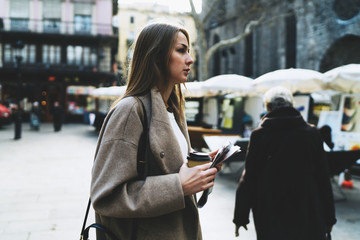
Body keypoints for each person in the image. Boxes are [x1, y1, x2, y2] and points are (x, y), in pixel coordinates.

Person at [90, 22, 219, 239]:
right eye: (181, 50)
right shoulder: (130, 110)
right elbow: (106, 196)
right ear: (156, 55)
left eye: (189, 51)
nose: (190, 59)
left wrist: (202, 170)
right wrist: (178, 185)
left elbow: (170, 170)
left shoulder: (173, 109)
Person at [233, 86, 336, 240]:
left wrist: (240, 216)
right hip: (307, 208)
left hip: (270, 210)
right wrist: (329, 218)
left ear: (268, 107)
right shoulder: (312, 133)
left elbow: (249, 178)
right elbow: (323, 177)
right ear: (292, 105)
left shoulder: (259, 135)